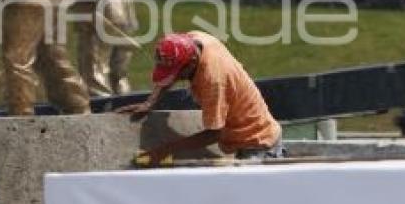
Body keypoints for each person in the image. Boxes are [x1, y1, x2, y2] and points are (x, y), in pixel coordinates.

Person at [118, 31, 284, 164]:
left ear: (191, 63)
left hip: (259, 144)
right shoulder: (196, 39)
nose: (175, 78)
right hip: (246, 140)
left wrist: (164, 151)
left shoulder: (213, 81)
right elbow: (174, 67)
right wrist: (150, 102)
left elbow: (214, 133)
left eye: (177, 74)